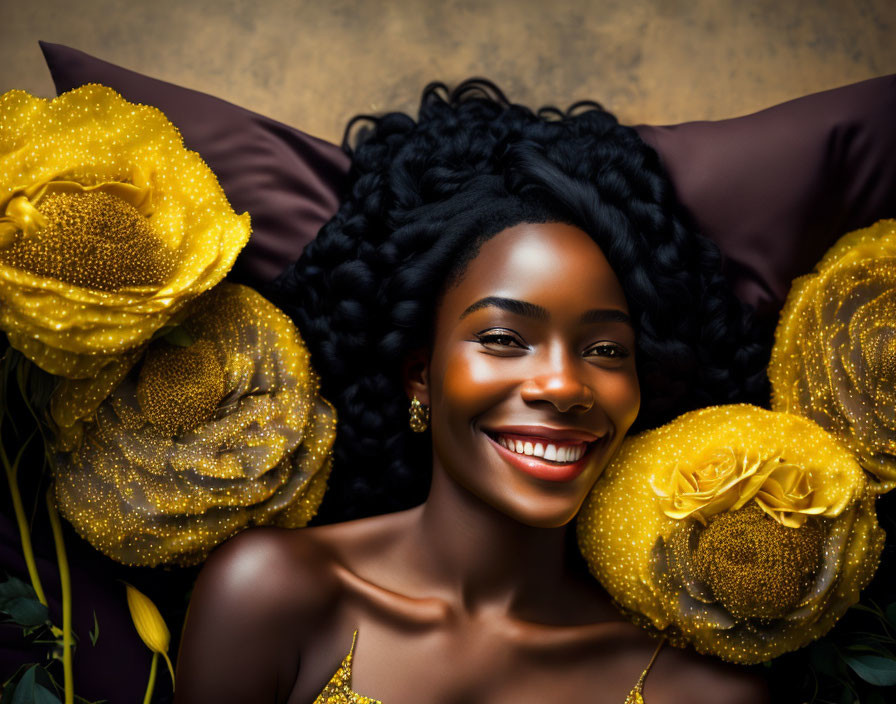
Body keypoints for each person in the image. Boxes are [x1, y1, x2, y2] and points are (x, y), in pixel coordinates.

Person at [174, 80, 772, 703]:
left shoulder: (701, 688)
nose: (566, 386)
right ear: (419, 375)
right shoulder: (273, 595)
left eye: (605, 350)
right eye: (505, 338)